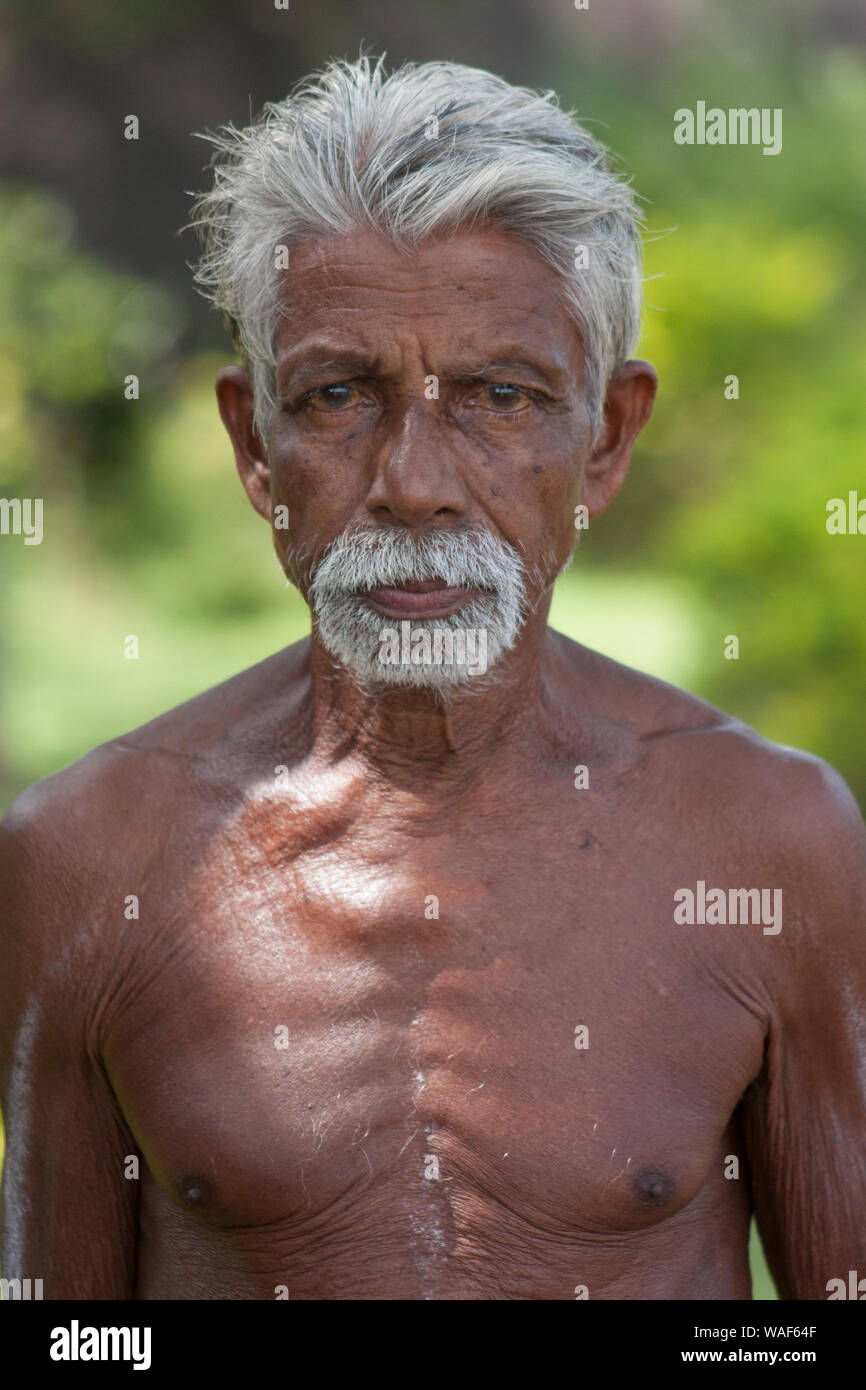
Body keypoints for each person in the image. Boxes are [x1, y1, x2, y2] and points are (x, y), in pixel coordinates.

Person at [1, 56, 864, 1301]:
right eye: (339, 394)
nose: (413, 480)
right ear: (255, 446)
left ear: (606, 438)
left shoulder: (767, 846)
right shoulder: (90, 856)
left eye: (499, 397)